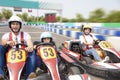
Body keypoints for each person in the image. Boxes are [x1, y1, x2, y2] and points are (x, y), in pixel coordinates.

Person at [0, 15, 36, 79]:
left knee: (32, 51)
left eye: (17, 24)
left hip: (23, 55)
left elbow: (29, 42)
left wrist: (30, 47)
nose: (15, 26)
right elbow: (3, 42)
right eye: (13, 24)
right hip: (10, 56)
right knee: (0, 48)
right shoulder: (7, 35)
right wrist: (7, 42)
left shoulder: (25, 35)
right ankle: (1, 74)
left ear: (20, 25)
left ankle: (29, 76)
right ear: (10, 25)